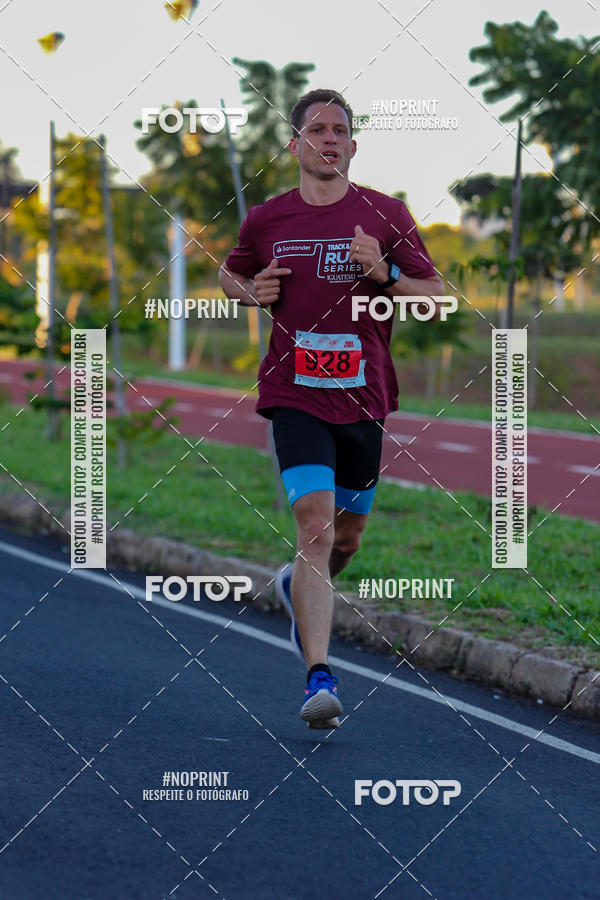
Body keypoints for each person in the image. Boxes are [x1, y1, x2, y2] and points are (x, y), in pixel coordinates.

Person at [218, 88, 443, 729]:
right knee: (314, 528)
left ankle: (299, 584)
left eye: (339, 130)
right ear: (295, 145)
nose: (328, 138)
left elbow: (434, 296)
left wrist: (387, 278)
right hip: (294, 395)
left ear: (352, 146)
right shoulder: (267, 220)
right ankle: (319, 675)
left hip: (364, 400)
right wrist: (248, 291)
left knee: (345, 539)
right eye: (315, 129)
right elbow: (229, 274)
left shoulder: (386, 214)